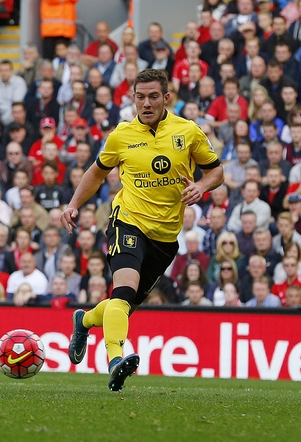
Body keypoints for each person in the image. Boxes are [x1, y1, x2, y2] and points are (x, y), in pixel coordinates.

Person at [61, 68, 223, 391]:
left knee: (124, 304)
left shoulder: (187, 131)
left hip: (165, 237)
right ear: (132, 98)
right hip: (128, 220)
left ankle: (84, 320)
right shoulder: (121, 135)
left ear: (166, 98)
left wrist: (202, 187)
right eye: (140, 97)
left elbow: (216, 171)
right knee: (123, 292)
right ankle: (115, 360)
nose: (146, 103)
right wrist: (73, 203)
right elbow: (96, 172)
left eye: (153, 97)